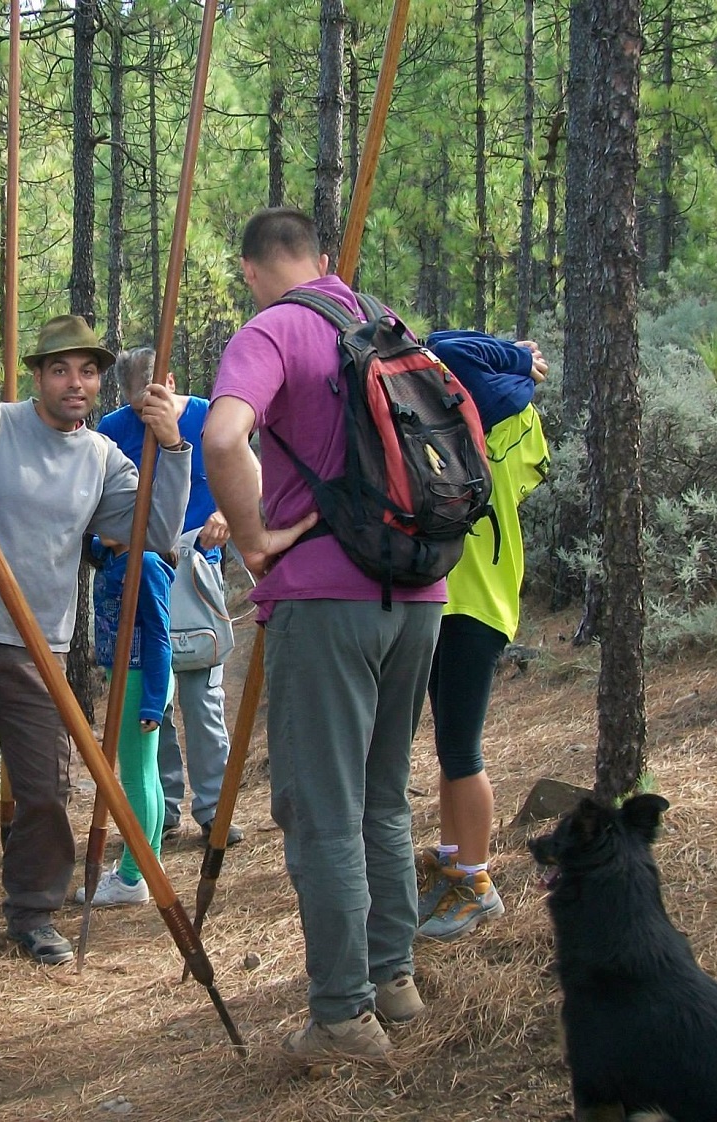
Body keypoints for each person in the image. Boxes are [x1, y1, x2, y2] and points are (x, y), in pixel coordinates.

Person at [202, 207, 442, 1063]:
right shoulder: (384, 323)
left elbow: (222, 436)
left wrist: (255, 536)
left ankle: (342, 1017)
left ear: (249, 269)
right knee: (383, 796)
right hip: (419, 590)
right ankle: (393, 981)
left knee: (323, 811)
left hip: (326, 598)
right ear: (325, 257)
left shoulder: (270, 331)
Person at [0, 314, 192, 966]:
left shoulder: (102, 459)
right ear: (38, 377)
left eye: (87, 371)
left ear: (99, 381)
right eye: (60, 370)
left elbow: (158, 532)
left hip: (38, 645)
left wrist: (172, 445)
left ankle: (32, 914)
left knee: (46, 789)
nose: (75, 383)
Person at [415, 330, 550, 941]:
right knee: (450, 745)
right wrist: (513, 360)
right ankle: (453, 865)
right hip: (453, 601)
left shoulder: (478, 430)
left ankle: (476, 883)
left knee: (462, 749)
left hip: (475, 606)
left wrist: (507, 358)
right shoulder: (510, 428)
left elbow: (448, 352)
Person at [96, 348, 244, 847]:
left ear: (171, 382)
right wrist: (107, 544)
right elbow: (98, 505)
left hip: (198, 575)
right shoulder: (112, 430)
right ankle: (164, 808)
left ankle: (215, 810)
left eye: (151, 401)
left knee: (202, 697)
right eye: (136, 406)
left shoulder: (208, 418)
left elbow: (245, 477)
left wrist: (227, 515)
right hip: (139, 576)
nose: (144, 414)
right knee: (151, 700)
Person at [74, 529, 175, 907]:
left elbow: (160, 637)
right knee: (147, 775)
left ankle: (133, 878)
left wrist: (151, 702)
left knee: (137, 779)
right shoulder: (113, 555)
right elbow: (86, 542)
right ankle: (150, 865)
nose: (102, 524)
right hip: (127, 677)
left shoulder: (145, 564)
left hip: (138, 679)